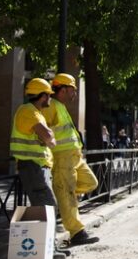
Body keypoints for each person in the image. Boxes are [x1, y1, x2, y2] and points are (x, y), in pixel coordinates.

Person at [10, 78, 67, 259]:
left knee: (46, 207)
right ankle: (49, 250)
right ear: (42, 96)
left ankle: (48, 248)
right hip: (32, 167)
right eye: (48, 95)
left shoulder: (33, 112)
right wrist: (48, 139)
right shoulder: (28, 111)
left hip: (36, 167)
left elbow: (46, 137)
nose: (50, 98)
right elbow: (48, 135)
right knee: (47, 206)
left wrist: (48, 139)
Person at [41, 73, 99, 246]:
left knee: (91, 183)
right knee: (67, 194)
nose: (74, 94)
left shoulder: (60, 106)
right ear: (63, 90)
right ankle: (77, 233)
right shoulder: (51, 106)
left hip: (74, 158)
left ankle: (63, 198)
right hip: (62, 158)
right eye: (73, 90)